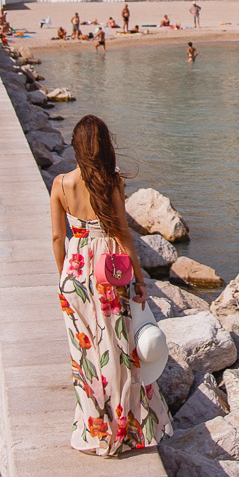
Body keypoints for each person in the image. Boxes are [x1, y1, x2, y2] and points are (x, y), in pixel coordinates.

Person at [49, 116, 171, 457]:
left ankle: (92, 429)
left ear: (75, 147)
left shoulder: (60, 184)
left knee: (83, 355)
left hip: (75, 272)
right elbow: (121, 234)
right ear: (105, 147)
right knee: (117, 352)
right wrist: (140, 278)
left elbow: (58, 237)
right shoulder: (110, 183)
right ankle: (123, 429)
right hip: (108, 273)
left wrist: (66, 275)